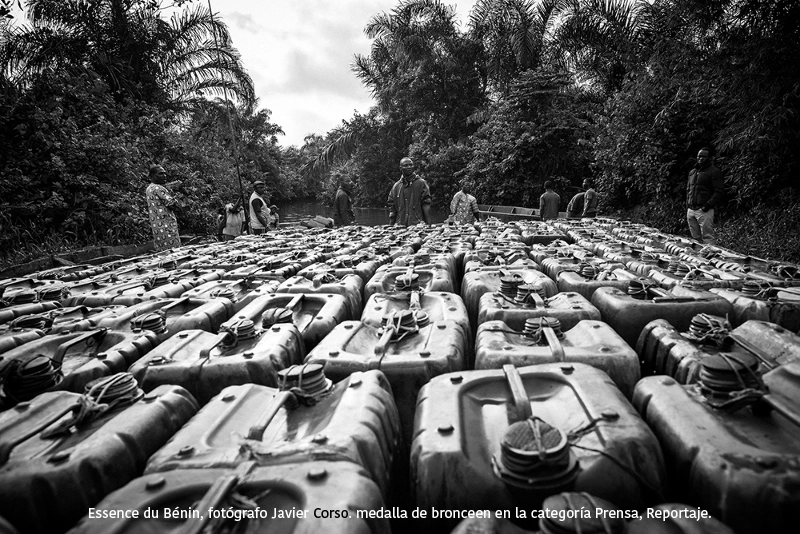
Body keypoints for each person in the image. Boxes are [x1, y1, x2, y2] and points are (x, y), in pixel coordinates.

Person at [687, 147, 725, 244]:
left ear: (709, 158)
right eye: (699, 156)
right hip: (691, 209)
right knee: (695, 240)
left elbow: (719, 191)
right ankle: (698, 254)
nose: (700, 158)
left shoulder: (714, 172)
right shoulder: (692, 172)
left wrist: (708, 205)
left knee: (708, 237)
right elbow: (688, 189)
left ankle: (710, 253)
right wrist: (688, 203)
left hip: (704, 210)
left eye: (703, 156)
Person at [145, 164, 181, 250]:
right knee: (174, 251)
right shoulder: (159, 188)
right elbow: (173, 204)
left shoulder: (149, 188)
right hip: (167, 226)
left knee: (162, 251)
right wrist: (178, 199)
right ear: (152, 176)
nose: (164, 176)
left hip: (157, 227)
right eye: (160, 174)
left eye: (165, 173)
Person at [387, 157, 431, 226]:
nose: (409, 167)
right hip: (400, 225)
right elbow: (392, 209)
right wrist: (390, 226)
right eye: (406, 165)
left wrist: (428, 224)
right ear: (400, 168)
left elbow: (426, 204)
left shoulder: (421, 183)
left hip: (418, 225)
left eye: (411, 165)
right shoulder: (396, 187)